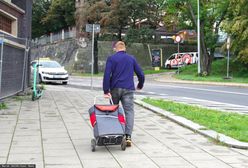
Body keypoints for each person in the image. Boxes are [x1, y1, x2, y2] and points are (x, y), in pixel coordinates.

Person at [103, 41, 145, 147]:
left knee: (113, 111)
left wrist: (106, 91)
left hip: (115, 89)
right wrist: (140, 85)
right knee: (129, 112)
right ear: (124, 48)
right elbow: (141, 74)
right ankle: (128, 137)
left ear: (115, 49)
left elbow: (107, 75)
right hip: (128, 89)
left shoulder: (111, 59)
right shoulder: (131, 58)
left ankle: (115, 134)